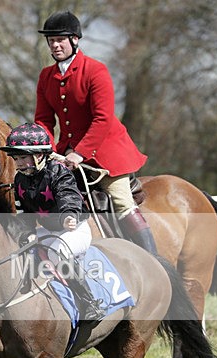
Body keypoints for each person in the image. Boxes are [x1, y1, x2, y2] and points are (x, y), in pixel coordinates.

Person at [34, 10, 158, 254]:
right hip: (66, 154)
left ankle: (154, 261)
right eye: (51, 40)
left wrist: (80, 153)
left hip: (106, 153)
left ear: (74, 40)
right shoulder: (46, 76)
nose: (55, 45)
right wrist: (44, 150)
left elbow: (103, 119)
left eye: (60, 39)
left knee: (121, 201)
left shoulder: (95, 70)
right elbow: (43, 120)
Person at [0, 122, 104, 322]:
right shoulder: (20, 180)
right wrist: (24, 232)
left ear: (39, 155)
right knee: (19, 251)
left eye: (23, 157)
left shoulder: (59, 172)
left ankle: (89, 303)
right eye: (16, 158)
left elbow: (68, 196)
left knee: (59, 253)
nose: (19, 163)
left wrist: (69, 215)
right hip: (48, 231)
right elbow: (25, 213)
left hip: (75, 229)